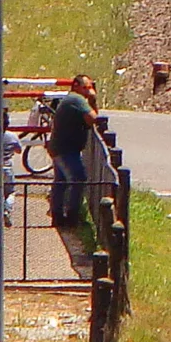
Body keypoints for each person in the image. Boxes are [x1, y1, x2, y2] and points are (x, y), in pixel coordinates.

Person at [49, 74, 102, 229]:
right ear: (76, 86)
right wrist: (93, 100)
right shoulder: (76, 100)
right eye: (85, 87)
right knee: (78, 178)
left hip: (61, 147)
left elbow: (88, 120)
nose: (88, 91)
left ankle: (58, 216)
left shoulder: (73, 100)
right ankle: (72, 216)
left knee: (61, 182)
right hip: (66, 149)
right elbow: (93, 118)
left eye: (90, 87)